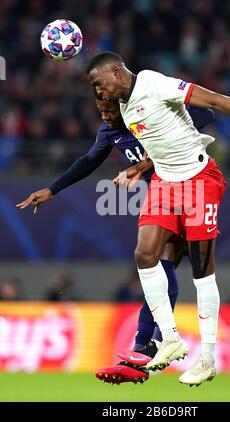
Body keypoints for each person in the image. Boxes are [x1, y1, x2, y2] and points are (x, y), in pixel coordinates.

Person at [86, 51, 230, 386]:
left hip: (199, 179)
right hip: (165, 182)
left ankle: (207, 357)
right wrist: (139, 167)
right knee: (144, 255)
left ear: (117, 72)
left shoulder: (153, 82)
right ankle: (171, 339)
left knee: (201, 270)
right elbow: (160, 142)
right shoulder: (121, 108)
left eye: (98, 83)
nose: (98, 91)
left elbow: (213, 100)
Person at [16, 95, 214, 383]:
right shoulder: (110, 131)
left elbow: (205, 113)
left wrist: (178, 129)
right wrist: (52, 189)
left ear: (123, 107)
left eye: (109, 109)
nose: (105, 115)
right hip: (161, 194)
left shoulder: (149, 112)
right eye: (100, 110)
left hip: (190, 184)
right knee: (158, 263)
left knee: (168, 263)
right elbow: (89, 160)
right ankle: (148, 345)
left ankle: (156, 343)